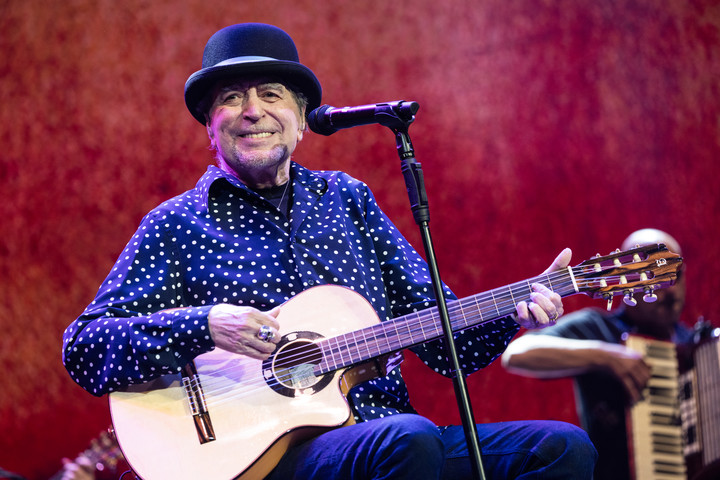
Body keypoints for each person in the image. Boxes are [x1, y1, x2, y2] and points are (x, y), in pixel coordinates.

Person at [62, 23, 596, 479]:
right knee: (407, 441)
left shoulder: (348, 200)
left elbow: (446, 347)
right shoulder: (176, 225)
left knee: (561, 448)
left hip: (386, 434)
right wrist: (205, 326)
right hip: (266, 456)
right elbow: (84, 348)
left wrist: (518, 310)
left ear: (300, 121)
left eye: (270, 94)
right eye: (231, 98)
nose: (252, 111)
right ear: (210, 125)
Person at [502, 228, 690, 480]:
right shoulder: (596, 327)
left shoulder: (692, 344)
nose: (671, 290)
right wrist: (605, 357)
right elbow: (516, 352)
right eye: (656, 276)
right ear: (630, 277)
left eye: (675, 274)